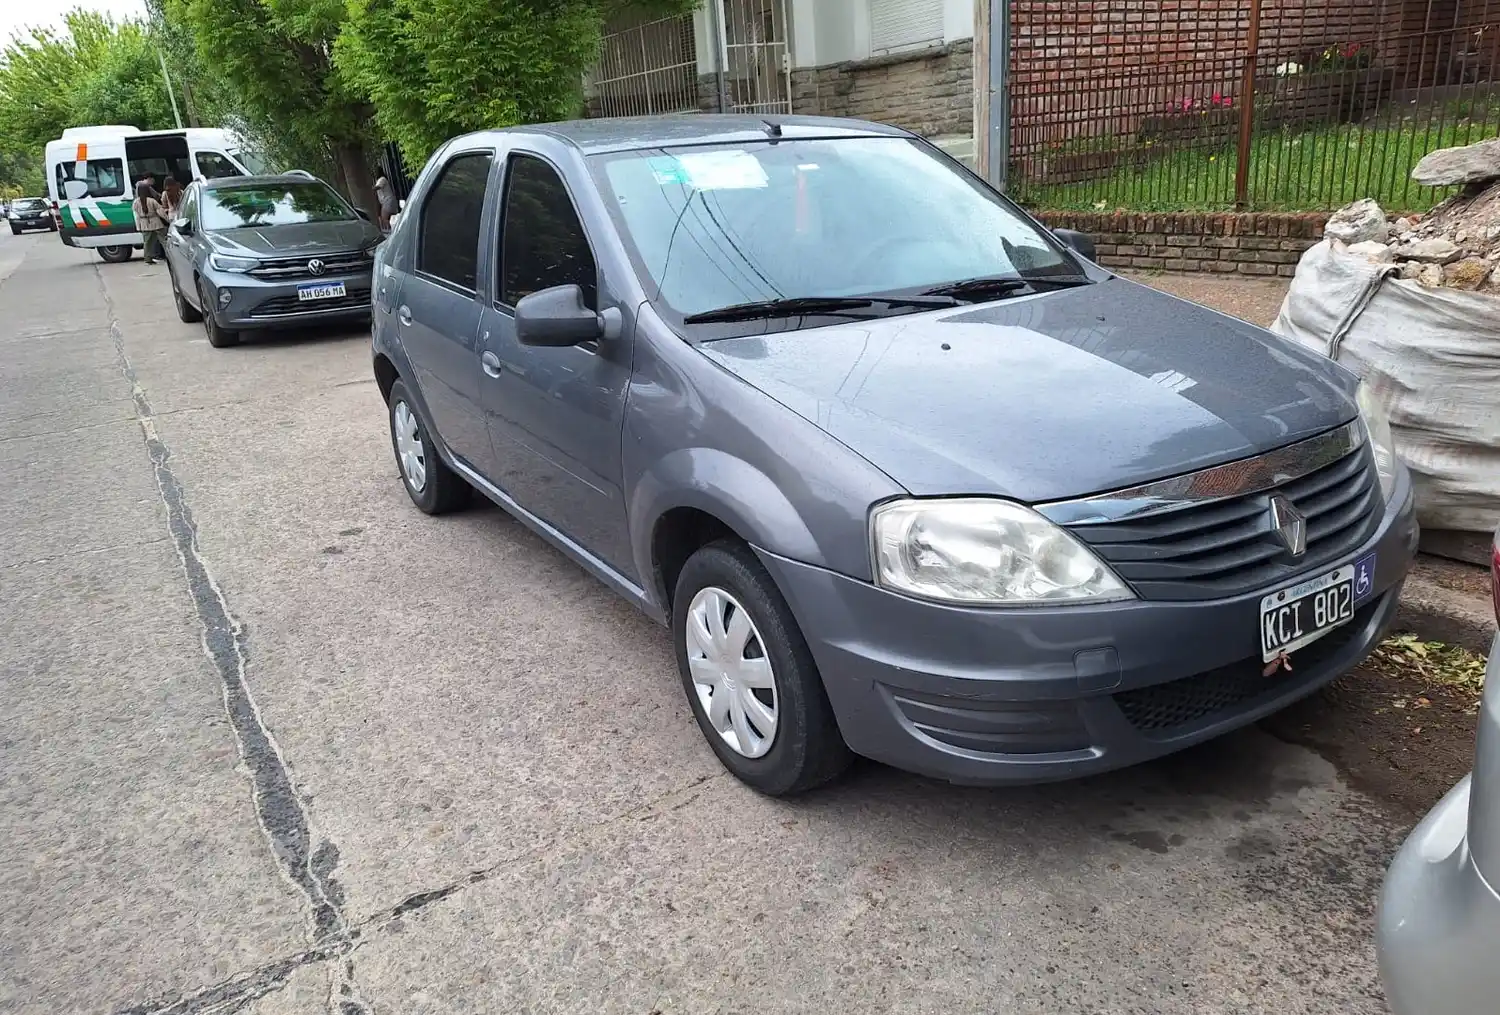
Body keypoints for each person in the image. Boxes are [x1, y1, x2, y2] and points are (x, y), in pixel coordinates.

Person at [133, 179, 168, 265]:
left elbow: (136, 215)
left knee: (147, 243)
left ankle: (148, 259)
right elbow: (161, 212)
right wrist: (168, 220)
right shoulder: (152, 201)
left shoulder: (136, 202)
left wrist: (138, 227)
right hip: (156, 222)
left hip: (144, 224)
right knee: (164, 240)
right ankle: (169, 255)